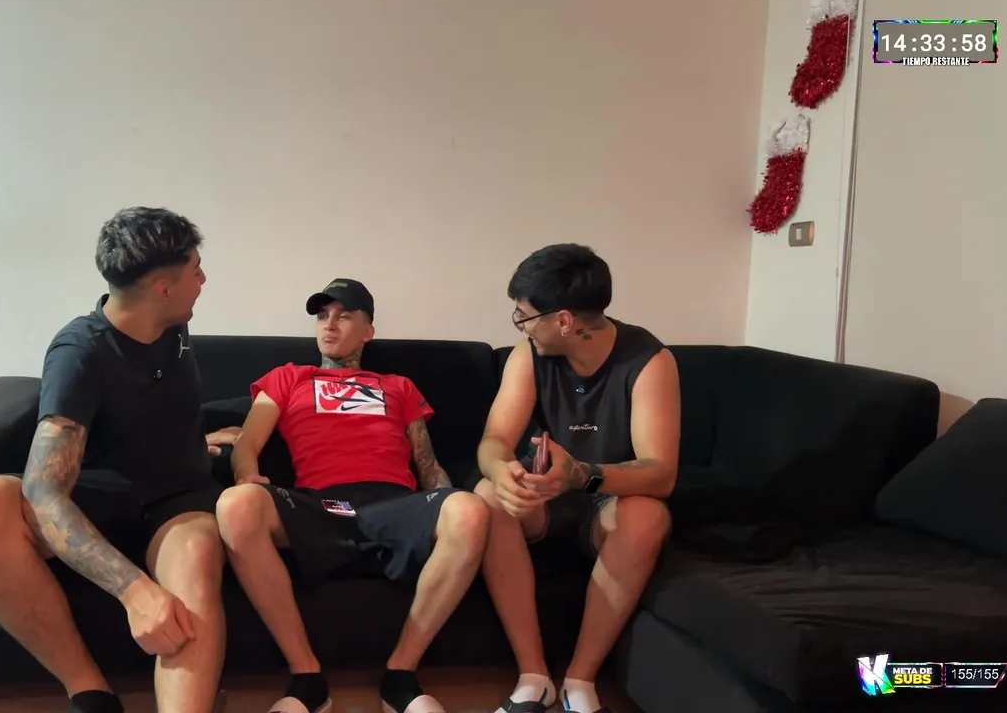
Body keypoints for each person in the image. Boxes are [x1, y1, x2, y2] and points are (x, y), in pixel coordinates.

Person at [0, 207, 236, 713]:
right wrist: (134, 591)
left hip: (178, 502)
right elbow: (42, 489)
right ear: (162, 289)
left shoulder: (173, 329)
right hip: (101, 499)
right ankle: (89, 693)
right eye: (195, 270)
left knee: (195, 553)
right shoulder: (79, 352)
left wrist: (199, 437)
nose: (204, 280)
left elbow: (153, 406)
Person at [218, 279, 491, 713]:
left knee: (471, 511)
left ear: (368, 331)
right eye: (322, 316)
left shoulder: (398, 385)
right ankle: (307, 679)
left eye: (344, 315)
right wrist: (247, 475)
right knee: (235, 505)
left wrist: (449, 506)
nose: (329, 325)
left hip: (394, 504)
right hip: (321, 505)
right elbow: (247, 444)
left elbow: (427, 464)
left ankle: (400, 677)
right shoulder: (288, 377)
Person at [475, 244, 678, 713]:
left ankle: (579, 681)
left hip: (607, 501)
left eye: (524, 316)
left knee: (647, 516)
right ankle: (533, 677)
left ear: (564, 320)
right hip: (544, 499)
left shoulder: (649, 360)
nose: (521, 326)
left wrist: (581, 475)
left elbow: (660, 473)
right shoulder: (529, 356)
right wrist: (502, 470)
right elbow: (493, 441)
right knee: (487, 495)